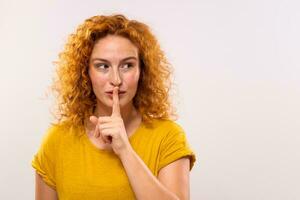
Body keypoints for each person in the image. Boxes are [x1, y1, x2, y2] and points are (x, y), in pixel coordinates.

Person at [31, 14, 196, 200]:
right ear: (86, 73)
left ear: (142, 70)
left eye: (127, 65)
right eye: (103, 66)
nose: (116, 80)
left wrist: (125, 150)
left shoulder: (168, 137)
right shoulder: (57, 140)